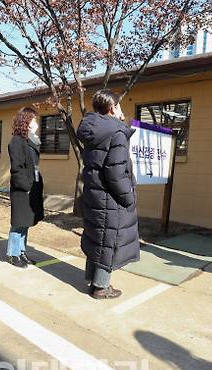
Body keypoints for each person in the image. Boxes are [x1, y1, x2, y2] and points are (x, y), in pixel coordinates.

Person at [77, 89, 140, 300]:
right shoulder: (117, 132)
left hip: (95, 194)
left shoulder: (92, 129)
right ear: (113, 108)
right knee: (109, 240)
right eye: (119, 106)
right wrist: (128, 197)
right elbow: (116, 172)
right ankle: (101, 287)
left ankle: (93, 280)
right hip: (111, 197)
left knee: (97, 236)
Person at [7, 107, 45, 268]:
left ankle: (22, 251)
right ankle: (13, 254)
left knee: (26, 221)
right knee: (18, 222)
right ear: (26, 121)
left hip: (32, 185)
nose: (36, 123)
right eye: (33, 119)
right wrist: (26, 186)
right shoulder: (17, 141)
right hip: (22, 188)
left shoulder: (31, 140)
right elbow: (17, 168)